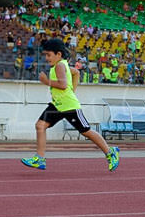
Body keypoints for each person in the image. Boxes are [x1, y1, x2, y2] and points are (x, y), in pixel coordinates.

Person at [21, 38, 119, 172]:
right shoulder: (62, 65)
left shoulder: (60, 66)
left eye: (49, 55)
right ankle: (39, 158)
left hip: (69, 106)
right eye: (45, 55)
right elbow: (76, 73)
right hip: (58, 105)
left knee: (86, 132)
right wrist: (72, 90)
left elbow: (62, 85)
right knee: (40, 125)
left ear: (59, 54)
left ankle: (110, 152)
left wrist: (46, 81)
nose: (47, 58)